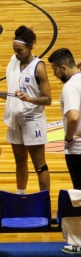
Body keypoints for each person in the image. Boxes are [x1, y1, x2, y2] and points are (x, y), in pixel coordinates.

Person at [0, 25, 51, 193]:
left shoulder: (39, 67)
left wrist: (29, 98)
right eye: (14, 50)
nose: (17, 53)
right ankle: (20, 195)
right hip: (15, 120)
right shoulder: (13, 62)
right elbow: (14, 96)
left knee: (40, 166)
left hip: (33, 121)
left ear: (30, 46)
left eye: (20, 50)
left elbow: (48, 99)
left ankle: (44, 199)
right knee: (20, 162)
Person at [48, 48, 81, 254]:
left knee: (79, 194)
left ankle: (78, 242)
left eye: (55, 71)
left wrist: (68, 138)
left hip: (78, 150)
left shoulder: (70, 87)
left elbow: (73, 117)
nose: (54, 75)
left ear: (63, 67)